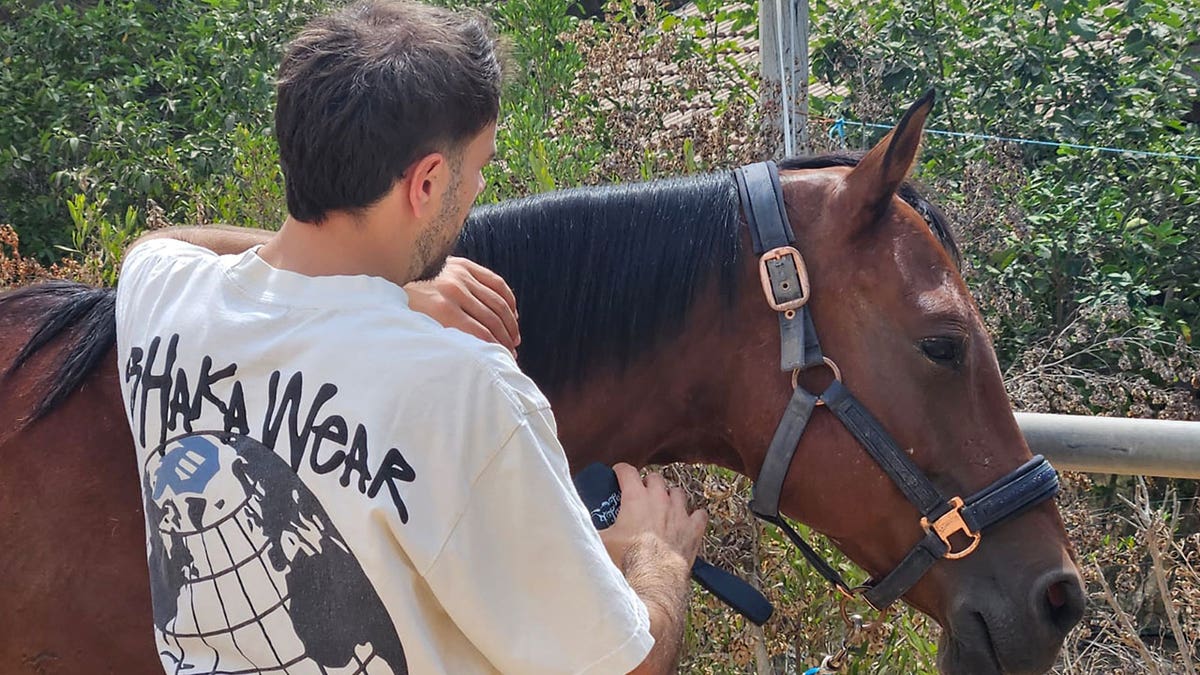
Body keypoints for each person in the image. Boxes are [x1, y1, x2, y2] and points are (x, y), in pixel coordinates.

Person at [113, 2, 707, 674]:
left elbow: (161, 242)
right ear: (425, 183)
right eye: (478, 166)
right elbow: (627, 667)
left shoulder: (158, 294)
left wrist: (386, 288)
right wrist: (656, 556)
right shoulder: (465, 389)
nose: (480, 187)